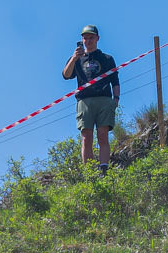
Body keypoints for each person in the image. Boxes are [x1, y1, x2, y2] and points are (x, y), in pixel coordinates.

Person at [63, 25, 120, 173]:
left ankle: (104, 169)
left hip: (104, 99)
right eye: (85, 38)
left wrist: (116, 99)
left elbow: (115, 80)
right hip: (84, 101)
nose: (88, 41)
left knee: (102, 135)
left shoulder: (107, 58)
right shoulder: (77, 58)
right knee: (86, 137)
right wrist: (74, 58)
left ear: (97, 38)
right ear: (82, 40)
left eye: (91, 38)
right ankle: (89, 173)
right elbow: (66, 75)